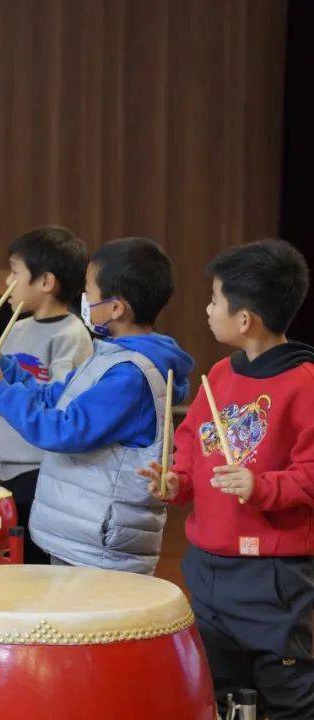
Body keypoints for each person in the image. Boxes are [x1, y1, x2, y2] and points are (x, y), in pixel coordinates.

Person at [0, 237, 193, 574]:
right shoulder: (111, 356)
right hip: (81, 537)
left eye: (90, 291)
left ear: (116, 308)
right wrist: (0, 365)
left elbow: (62, 429)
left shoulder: (129, 376)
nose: (83, 300)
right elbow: (52, 396)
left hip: (99, 546)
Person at [140, 239, 314, 719]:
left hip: (273, 579)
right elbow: (193, 445)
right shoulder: (218, 374)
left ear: (245, 320)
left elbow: (310, 475)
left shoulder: (305, 384)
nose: (207, 309)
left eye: (215, 300)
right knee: (217, 691)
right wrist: (177, 482)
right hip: (209, 567)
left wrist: (262, 488)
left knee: (288, 695)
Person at [0, 226, 92, 563]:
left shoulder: (71, 334)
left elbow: (57, 401)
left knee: (38, 562)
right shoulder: (16, 329)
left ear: (45, 282)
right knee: (16, 559)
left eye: (15, 272)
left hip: (45, 467)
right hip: (10, 469)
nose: (6, 283)